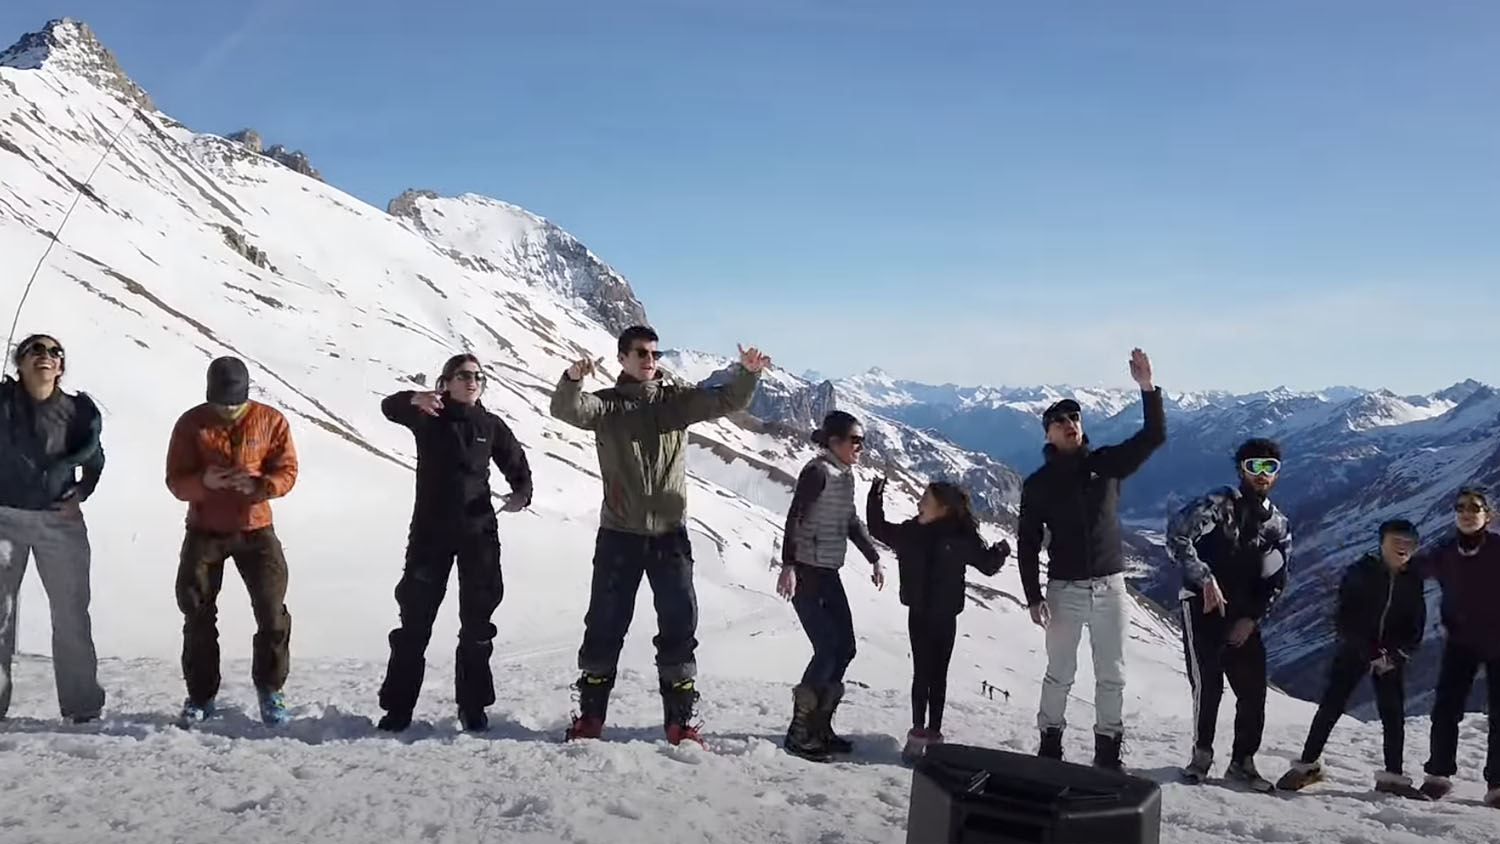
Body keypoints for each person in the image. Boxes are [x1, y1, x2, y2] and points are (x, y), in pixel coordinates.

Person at [550, 326, 768, 745]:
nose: (650, 359)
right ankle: (590, 718)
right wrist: (573, 380)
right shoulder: (607, 406)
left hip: (670, 535)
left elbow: (728, 400)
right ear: (623, 359)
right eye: (641, 353)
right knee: (605, 624)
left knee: (679, 623)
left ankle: (680, 722)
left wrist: (747, 374)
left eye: (654, 352)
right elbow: (568, 411)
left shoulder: (675, 401)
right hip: (620, 535)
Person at [1017, 348, 1164, 770]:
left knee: (1112, 675)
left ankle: (1108, 752)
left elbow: (1153, 437)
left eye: (1075, 419)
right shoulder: (1039, 485)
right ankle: (1049, 744)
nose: (1070, 426)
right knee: (1059, 672)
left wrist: (1147, 388)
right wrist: (1032, 596)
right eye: (1060, 422)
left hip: (1111, 586)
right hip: (1064, 589)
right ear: (1047, 434)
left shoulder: (1107, 464)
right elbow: (1026, 542)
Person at [376, 354, 533, 733]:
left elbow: (517, 465)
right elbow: (388, 407)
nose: (472, 382)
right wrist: (413, 397)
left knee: (478, 625)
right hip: (430, 534)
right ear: (445, 381)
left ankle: (473, 706)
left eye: (479, 377)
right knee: (414, 623)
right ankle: (398, 708)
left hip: (479, 534)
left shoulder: (489, 424)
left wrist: (521, 494)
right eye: (464, 376)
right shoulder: (428, 415)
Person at [165, 356, 298, 725]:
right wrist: (204, 483)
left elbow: (287, 470)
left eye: (234, 404)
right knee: (197, 612)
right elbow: (176, 480)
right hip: (204, 529)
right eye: (220, 403)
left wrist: (261, 486)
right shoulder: (191, 424)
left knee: (272, 610)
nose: (227, 410)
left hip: (256, 528)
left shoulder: (271, 420)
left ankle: (271, 690)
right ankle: (201, 696)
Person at [1166, 438, 1291, 793]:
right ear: (1241, 469)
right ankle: (1201, 756)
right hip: (1201, 603)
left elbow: (1278, 577)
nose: (1262, 475)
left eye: (1270, 468)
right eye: (1255, 466)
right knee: (1208, 684)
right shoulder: (1219, 502)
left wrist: (1252, 618)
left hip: (1242, 613)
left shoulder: (1278, 524)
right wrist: (1204, 579)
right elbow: (1177, 535)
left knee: (1253, 689)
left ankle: (1242, 762)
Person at [1275, 519, 1427, 799]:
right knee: (1331, 706)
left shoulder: (1413, 581)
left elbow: (1416, 626)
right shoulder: (1361, 572)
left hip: (1391, 658)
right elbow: (1346, 617)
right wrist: (1369, 650)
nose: (1403, 547)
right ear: (1382, 543)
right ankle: (1306, 765)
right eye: (1397, 541)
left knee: (1393, 715)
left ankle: (1393, 776)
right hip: (1354, 651)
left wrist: (1394, 654)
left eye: (1408, 543)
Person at [0, 334, 106, 723]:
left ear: (60, 367)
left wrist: (82, 492)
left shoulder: (77, 413)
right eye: (35, 351)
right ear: (21, 363)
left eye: (53, 352)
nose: (45, 357)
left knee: (71, 614)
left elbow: (94, 460)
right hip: (4, 518)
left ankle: (82, 708)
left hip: (59, 522)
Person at [867, 477, 1010, 763]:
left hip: (928, 613)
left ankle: (925, 735)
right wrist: (875, 495)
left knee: (928, 674)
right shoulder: (945, 535)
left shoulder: (949, 536)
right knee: (929, 674)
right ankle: (927, 735)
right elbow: (878, 528)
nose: (919, 503)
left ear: (943, 508)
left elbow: (988, 565)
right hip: (934, 614)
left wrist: (1000, 551)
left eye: (925, 500)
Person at [774, 411, 885, 760]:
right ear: (834, 441)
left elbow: (849, 520)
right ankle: (799, 732)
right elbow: (795, 517)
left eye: (862, 441)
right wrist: (788, 565)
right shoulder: (817, 472)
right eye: (855, 440)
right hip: (807, 570)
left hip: (828, 571)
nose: (860, 447)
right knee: (826, 647)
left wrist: (873, 557)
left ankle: (820, 726)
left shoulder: (844, 475)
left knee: (846, 647)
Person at [1415, 487, 1500, 806]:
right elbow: (1413, 569)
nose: (1466, 512)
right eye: (1461, 507)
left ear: (1487, 516)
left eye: (1475, 507)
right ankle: (1438, 775)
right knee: (1446, 708)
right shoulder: (1446, 551)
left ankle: (1497, 784)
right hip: (1461, 642)